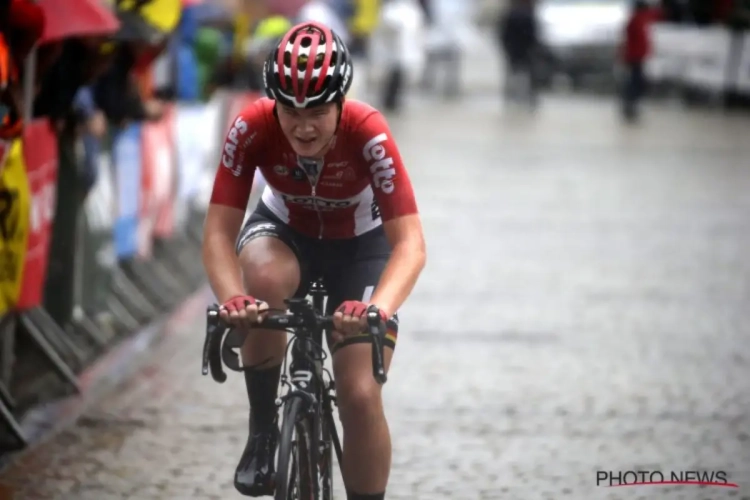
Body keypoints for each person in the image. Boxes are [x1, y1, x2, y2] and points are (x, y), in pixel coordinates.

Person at [201, 21, 427, 500]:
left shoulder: (369, 133)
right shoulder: (252, 127)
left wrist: (376, 310)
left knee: (360, 393)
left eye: (319, 111)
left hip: (361, 247)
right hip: (286, 233)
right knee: (263, 277)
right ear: (273, 104)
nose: (303, 126)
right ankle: (263, 430)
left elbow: (410, 244)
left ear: (342, 101)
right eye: (289, 110)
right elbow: (219, 232)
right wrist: (233, 300)